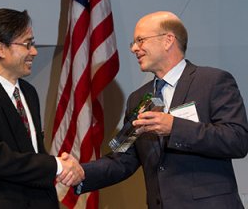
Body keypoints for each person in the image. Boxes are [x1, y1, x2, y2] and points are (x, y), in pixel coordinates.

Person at [71, 11, 248, 209]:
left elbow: (237, 139)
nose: (134, 48)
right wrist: (81, 171)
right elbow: (122, 157)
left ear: (168, 40)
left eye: (140, 40)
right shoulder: (137, 99)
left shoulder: (213, 81)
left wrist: (175, 128)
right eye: (134, 43)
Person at [0, 8, 84, 209]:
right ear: (1, 48)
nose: (34, 51)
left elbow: (31, 151)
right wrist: (56, 165)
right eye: (27, 44)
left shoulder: (29, 92)